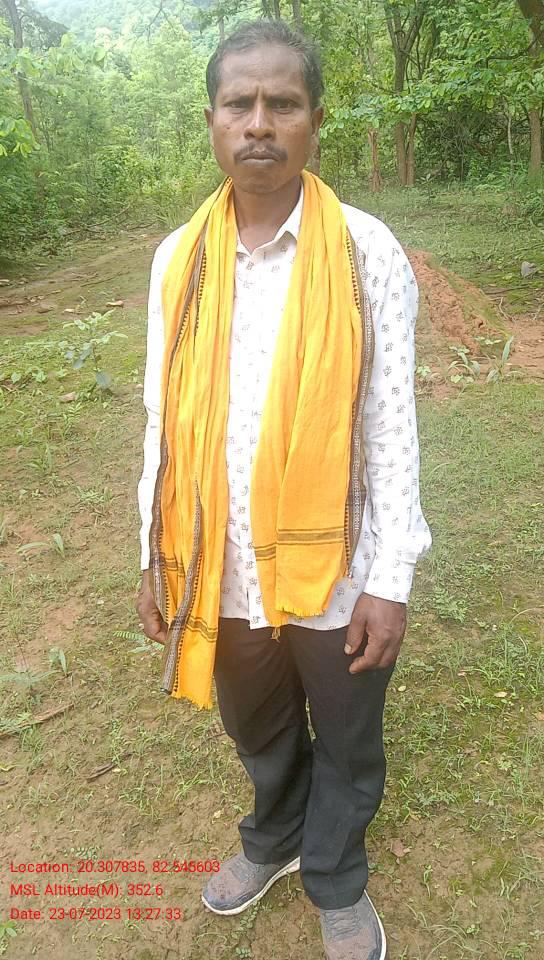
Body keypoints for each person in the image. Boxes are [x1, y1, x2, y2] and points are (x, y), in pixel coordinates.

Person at [136, 19, 431, 960]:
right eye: (240, 103)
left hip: (337, 566)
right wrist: (154, 553)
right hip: (219, 562)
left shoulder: (365, 252)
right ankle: (273, 836)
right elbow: (162, 418)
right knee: (256, 724)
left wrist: (390, 578)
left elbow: (390, 422)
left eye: (283, 103)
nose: (259, 122)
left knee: (347, 732)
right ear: (213, 121)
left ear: (314, 121)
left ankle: (336, 873)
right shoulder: (178, 260)